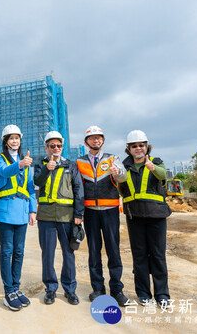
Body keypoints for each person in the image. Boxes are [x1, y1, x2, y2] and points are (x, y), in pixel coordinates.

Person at [76, 126, 129, 306]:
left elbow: (123, 177)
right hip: (90, 212)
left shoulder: (112, 159)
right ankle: (98, 288)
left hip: (110, 211)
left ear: (103, 141)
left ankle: (117, 289)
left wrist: (118, 173)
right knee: (93, 251)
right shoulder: (80, 161)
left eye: (99, 138)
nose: (96, 141)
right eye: (92, 138)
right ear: (86, 142)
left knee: (113, 251)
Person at [118, 130, 172, 306]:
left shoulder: (156, 162)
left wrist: (153, 168)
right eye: (134, 146)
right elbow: (121, 188)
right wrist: (116, 175)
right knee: (139, 256)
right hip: (135, 217)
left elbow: (163, 175)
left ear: (146, 146)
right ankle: (143, 293)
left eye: (141, 145)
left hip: (156, 216)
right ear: (129, 149)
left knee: (157, 255)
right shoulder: (124, 166)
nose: (138, 148)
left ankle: (162, 294)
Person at [34, 131, 84, 305]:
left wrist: (78, 214)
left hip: (66, 216)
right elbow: (38, 183)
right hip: (46, 216)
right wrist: (47, 171)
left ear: (62, 147)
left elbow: (78, 189)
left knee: (68, 253)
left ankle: (70, 289)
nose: (56, 148)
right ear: (46, 147)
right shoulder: (41, 165)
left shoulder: (71, 166)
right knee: (47, 253)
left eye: (59, 146)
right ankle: (50, 289)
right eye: (52, 146)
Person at [0, 125, 37, 311]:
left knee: (19, 251)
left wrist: (32, 210)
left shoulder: (25, 161)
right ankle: (8, 291)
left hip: (21, 211)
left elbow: (30, 188)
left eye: (17, 138)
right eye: (11, 138)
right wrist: (19, 164)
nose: (14, 141)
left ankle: (16, 288)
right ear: (5, 141)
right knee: (7, 251)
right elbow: (4, 172)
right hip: (5, 210)